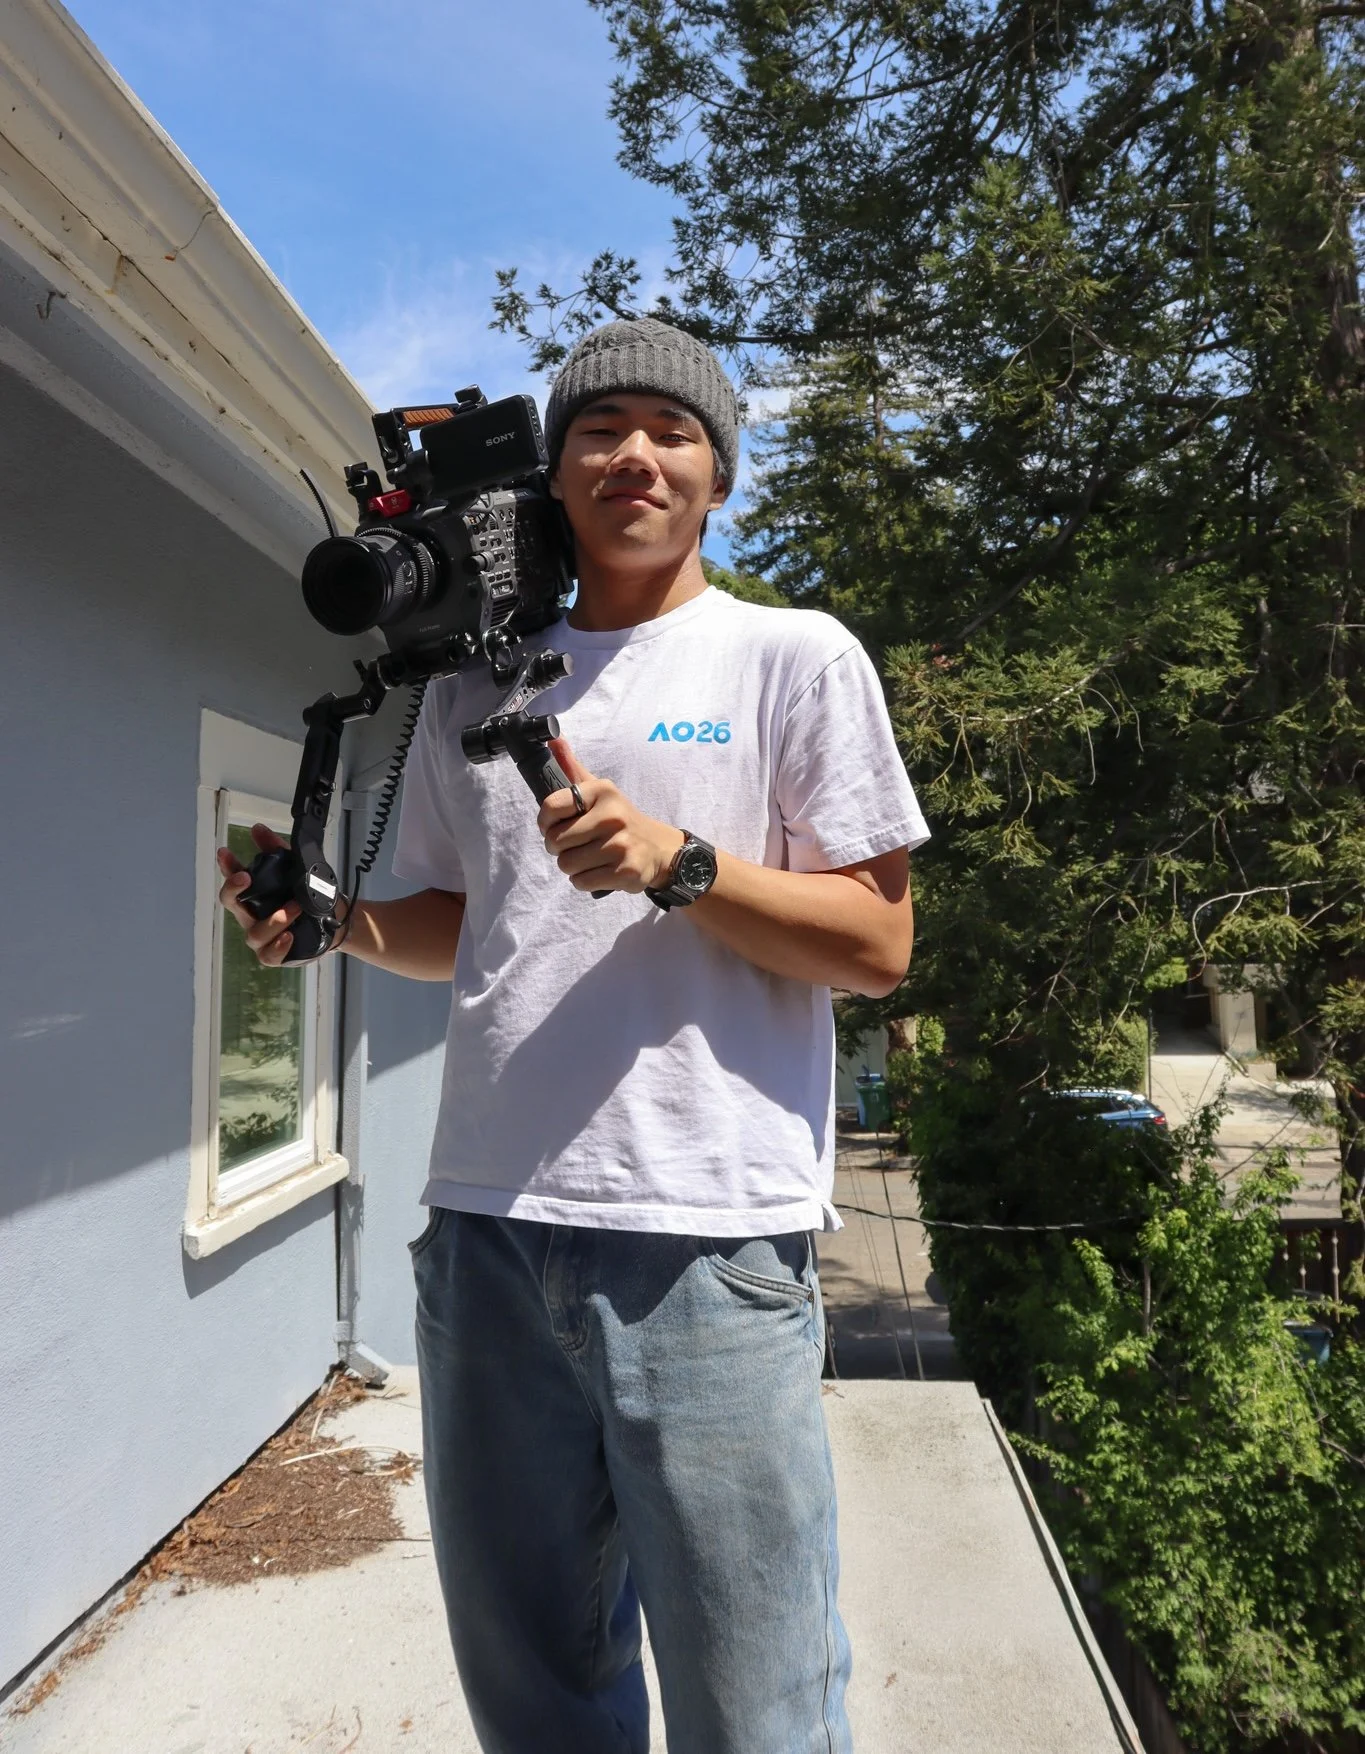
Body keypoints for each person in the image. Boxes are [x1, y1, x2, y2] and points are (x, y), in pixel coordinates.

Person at [218, 317, 929, 1754]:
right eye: (600, 430)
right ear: (554, 472)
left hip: (706, 1247)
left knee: (759, 1708)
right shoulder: (473, 678)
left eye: (672, 431)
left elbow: (877, 943)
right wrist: (337, 922)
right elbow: (458, 921)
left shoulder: (791, 657)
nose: (634, 455)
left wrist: (683, 864)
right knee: (537, 1697)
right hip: (484, 1236)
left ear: (718, 474)